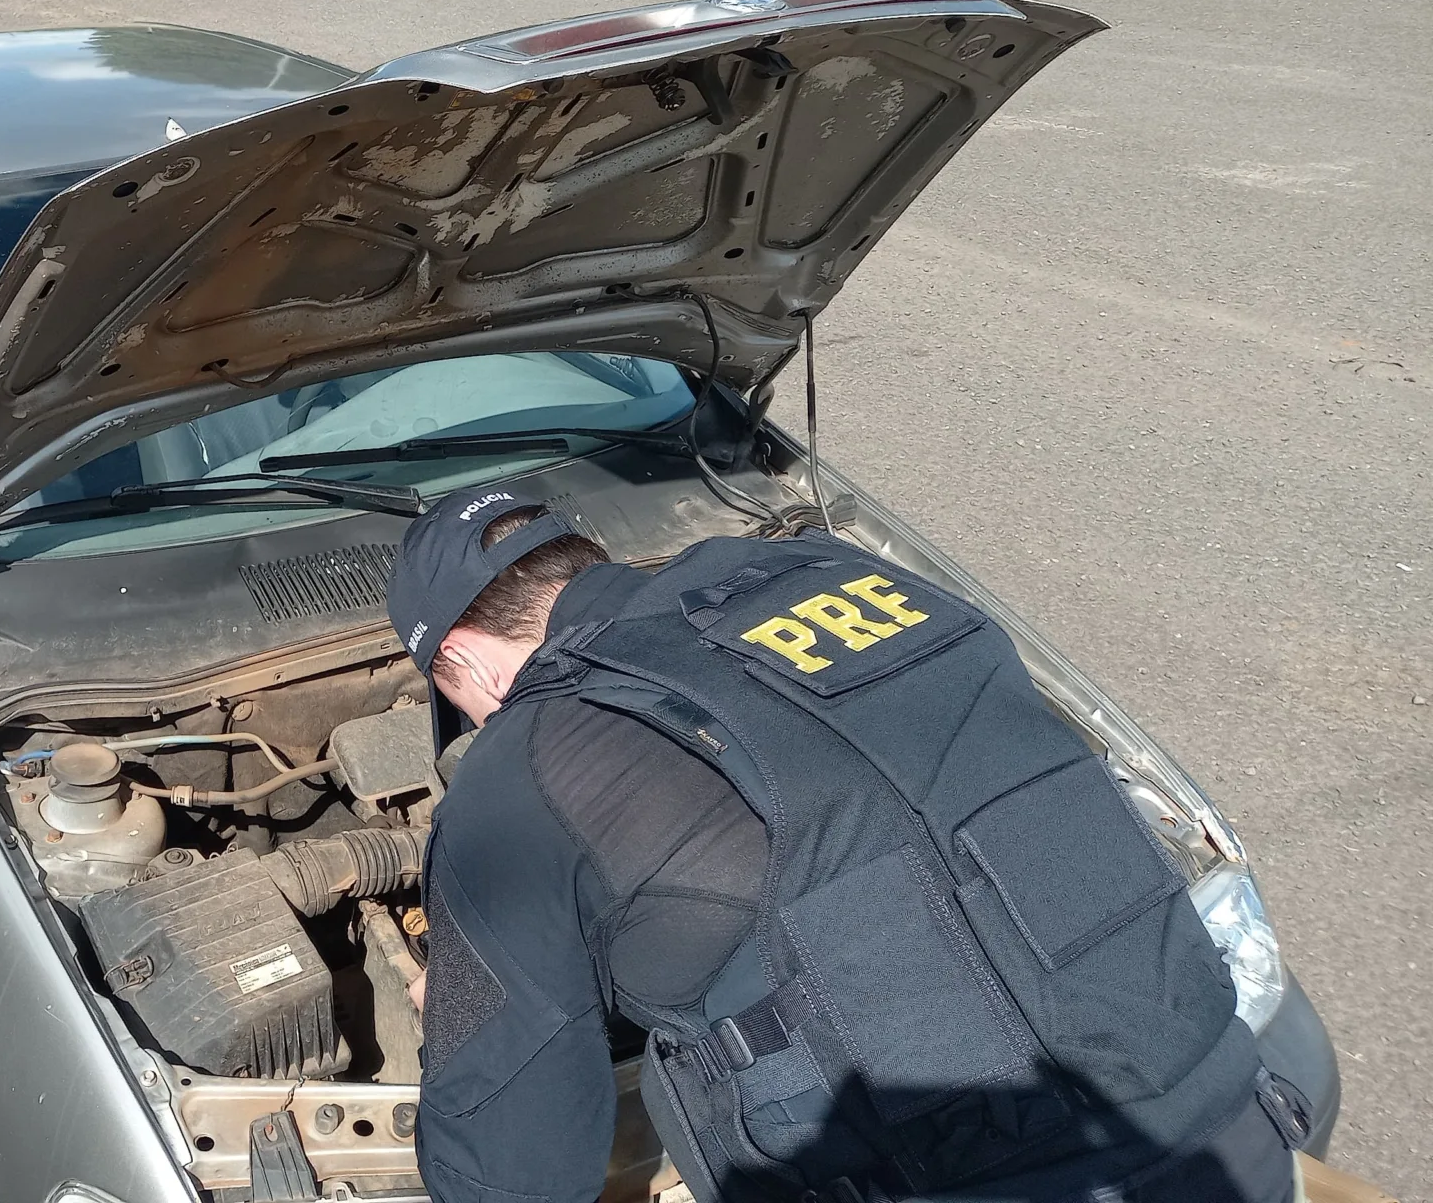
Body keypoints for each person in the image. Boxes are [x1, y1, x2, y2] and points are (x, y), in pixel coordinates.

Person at [386, 481, 1305, 1203]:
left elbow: (513, 1175)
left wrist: (461, 1013)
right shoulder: (853, 576)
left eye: (457, 701)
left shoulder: (521, 770)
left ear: (460, 656)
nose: (474, 720)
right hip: (1233, 1127)